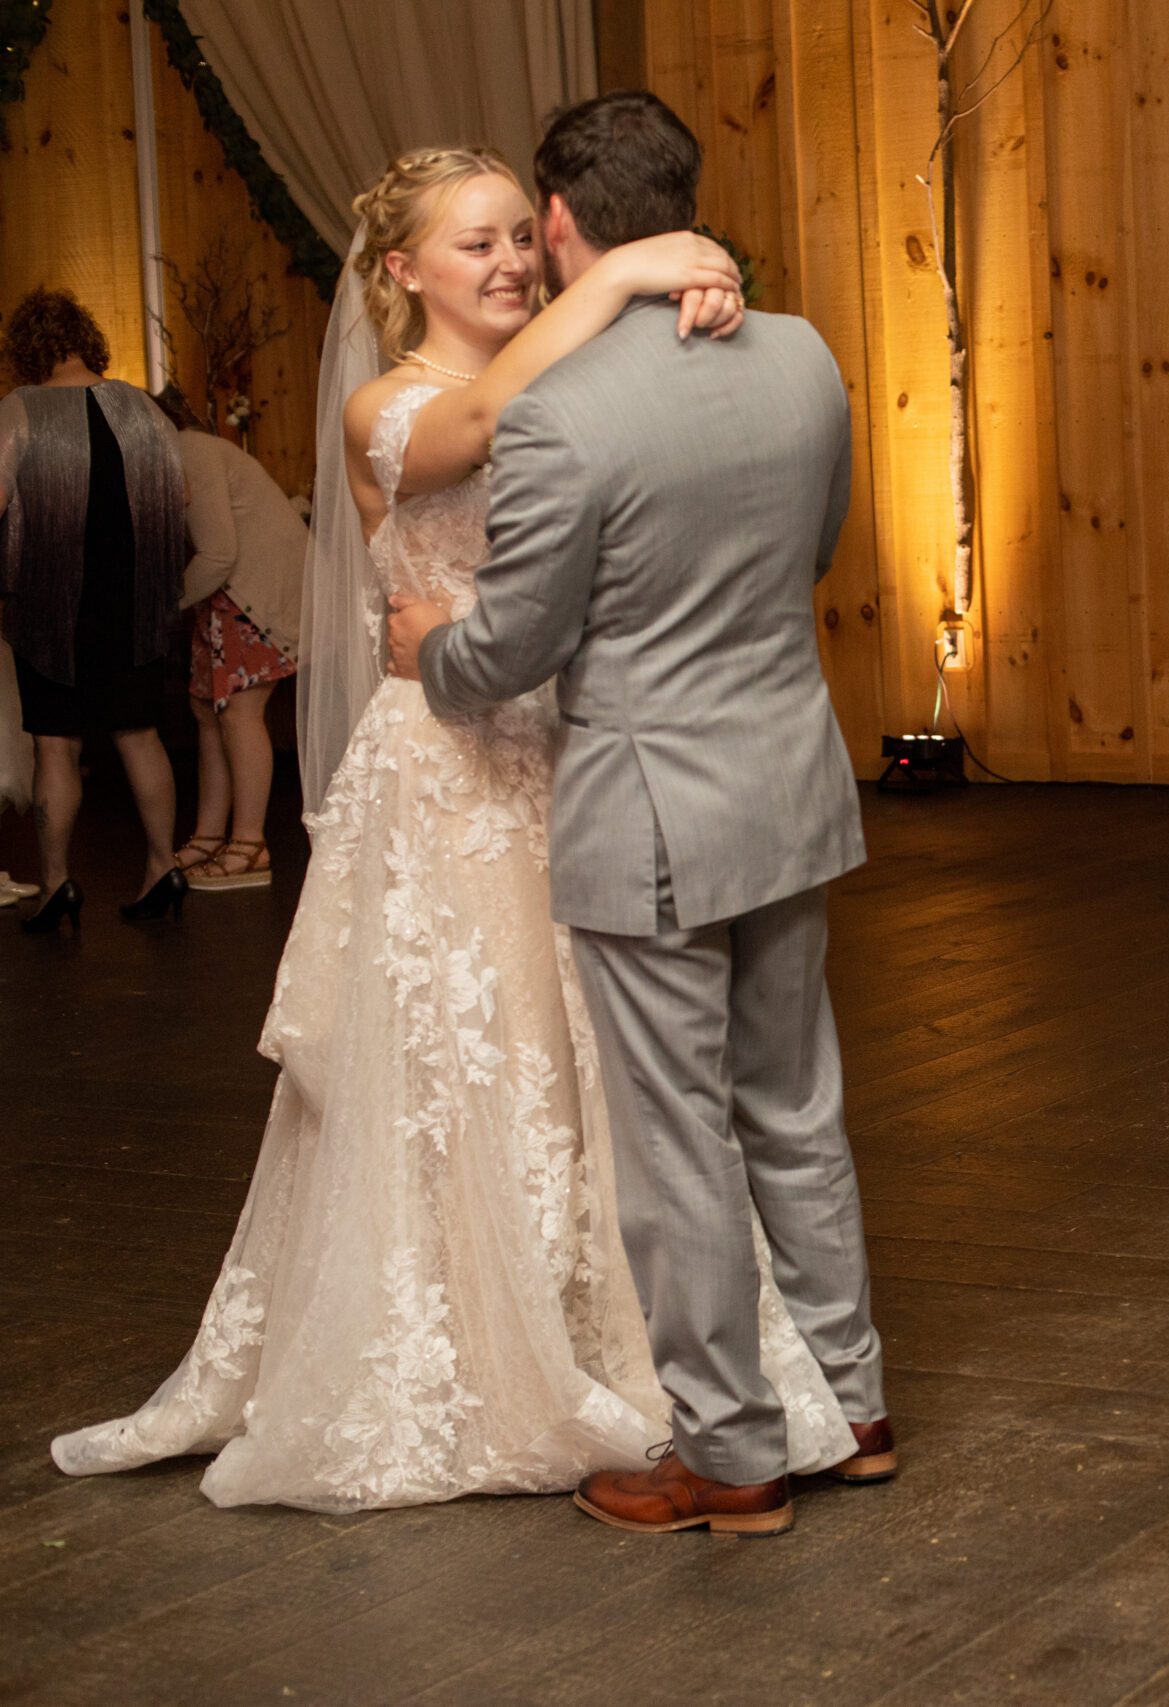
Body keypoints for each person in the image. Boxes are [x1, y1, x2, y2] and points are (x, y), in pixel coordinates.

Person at [52, 141, 862, 1514]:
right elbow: (483, 424)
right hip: (443, 780)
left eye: (513, 238)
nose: (501, 262)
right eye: (470, 243)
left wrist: (688, 289)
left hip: (573, 758)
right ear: (399, 272)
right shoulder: (392, 405)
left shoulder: (581, 374)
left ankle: (662, 1351)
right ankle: (465, 1344)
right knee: (459, 1064)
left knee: (606, 1080)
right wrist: (648, 269)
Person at [387, 92, 889, 1539]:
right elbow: (818, 543)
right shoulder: (805, 358)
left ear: (561, 225)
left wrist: (430, 645)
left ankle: (730, 1456)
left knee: (678, 1146)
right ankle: (853, 1407)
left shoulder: (562, 414)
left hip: (654, 819)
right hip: (791, 781)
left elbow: (515, 647)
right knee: (798, 1108)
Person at [0, 288, 190, 930]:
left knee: (55, 745)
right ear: (88, 338)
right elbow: (180, 493)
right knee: (140, 735)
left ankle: (57, 883)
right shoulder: (141, 407)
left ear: (27, 350)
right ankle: (164, 862)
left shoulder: (20, 409)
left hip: (51, 607)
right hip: (133, 604)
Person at [157, 385, 307, 891]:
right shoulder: (183, 453)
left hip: (250, 595)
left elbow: (218, 553)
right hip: (226, 596)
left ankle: (250, 846)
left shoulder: (189, 451)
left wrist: (161, 606)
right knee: (206, 712)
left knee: (240, 713)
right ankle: (209, 835)